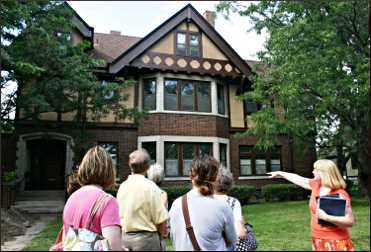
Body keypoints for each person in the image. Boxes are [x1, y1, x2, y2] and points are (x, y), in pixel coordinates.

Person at [267, 159, 355, 251]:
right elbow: (298, 178)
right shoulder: (316, 186)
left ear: (323, 173)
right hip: (317, 238)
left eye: (315, 170)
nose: (312, 171)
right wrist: (280, 173)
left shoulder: (340, 194)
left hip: (335, 241)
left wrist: (326, 217)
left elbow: (349, 221)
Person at [169, 156, 237, 251]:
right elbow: (232, 241)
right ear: (216, 177)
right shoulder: (223, 207)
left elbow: (173, 238)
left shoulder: (176, 204)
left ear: (190, 175)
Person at [62, 146, 122, 251]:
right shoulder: (107, 201)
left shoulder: (71, 199)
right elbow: (113, 248)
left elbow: (65, 239)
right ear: (109, 171)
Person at [117, 150, 168, 251]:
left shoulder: (122, 187)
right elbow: (161, 219)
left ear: (129, 165)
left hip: (125, 239)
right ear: (148, 167)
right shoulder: (151, 187)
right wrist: (161, 238)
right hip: (147, 241)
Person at [214, 166, 247, 251]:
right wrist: (242, 225)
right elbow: (240, 233)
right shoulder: (233, 202)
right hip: (227, 246)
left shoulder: (205, 201)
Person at [147, 163, 169, 250]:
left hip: (144, 235)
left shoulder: (144, 192)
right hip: (157, 236)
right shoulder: (162, 194)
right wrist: (163, 233)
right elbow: (161, 216)